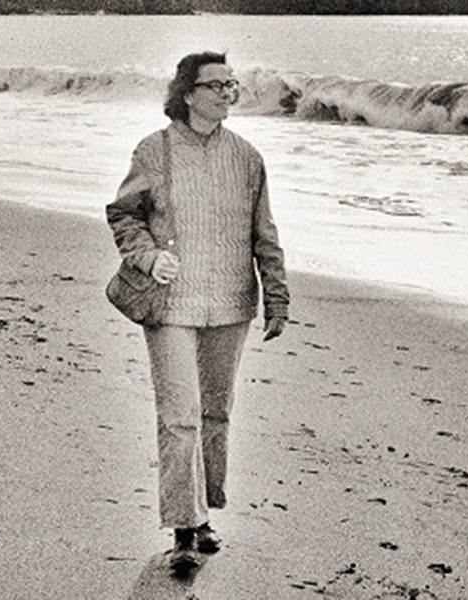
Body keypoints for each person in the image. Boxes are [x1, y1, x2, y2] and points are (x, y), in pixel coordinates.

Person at [106, 51, 289, 570]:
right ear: (187, 93)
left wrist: (276, 296)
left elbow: (264, 233)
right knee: (180, 416)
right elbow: (123, 214)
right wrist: (148, 256)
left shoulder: (248, 157)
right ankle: (183, 528)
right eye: (215, 86)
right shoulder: (154, 151)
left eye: (232, 85)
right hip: (171, 306)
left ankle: (204, 514)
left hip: (231, 305)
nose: (227, 94)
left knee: (214, 414)